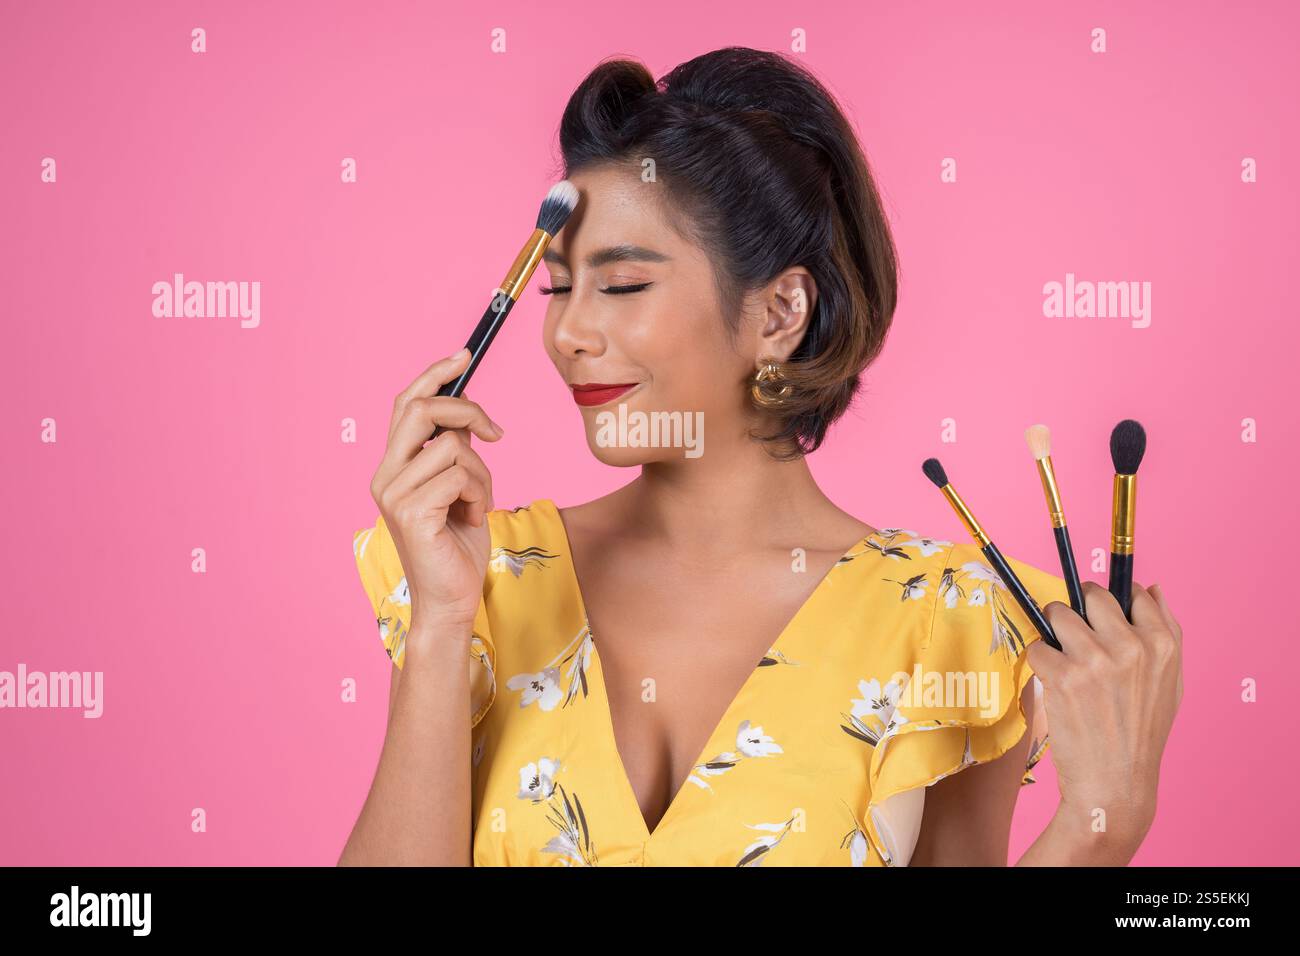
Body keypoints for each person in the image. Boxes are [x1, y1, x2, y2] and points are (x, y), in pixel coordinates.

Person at [338, 47, 1182, 867]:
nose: (568, 334)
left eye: (624, 285)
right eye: (558, 288)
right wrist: (442, 624)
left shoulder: (947, 624)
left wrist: (1100, 831)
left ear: (780, 311)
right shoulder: (479, 580)